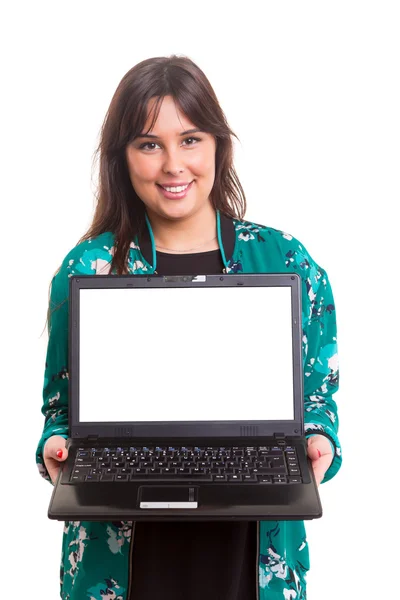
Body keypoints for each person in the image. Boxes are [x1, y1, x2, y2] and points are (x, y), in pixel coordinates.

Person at [36, 55, 342, 600]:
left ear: (218, 146)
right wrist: (57, 446)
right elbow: (61, 410)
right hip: (125, 544)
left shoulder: (284, 259)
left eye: (191, 139)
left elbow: (316, 397)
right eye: (149, 144)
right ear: (123, 158)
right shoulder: (88, 269)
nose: (173, 164)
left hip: (246, 541)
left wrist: (318, 440)